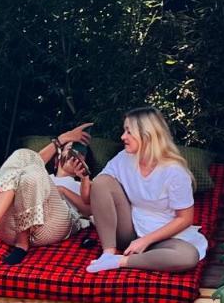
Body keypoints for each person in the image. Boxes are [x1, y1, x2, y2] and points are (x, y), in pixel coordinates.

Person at [0, 123, 94, 265]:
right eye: (70, 150)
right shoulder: (37, 175)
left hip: (52, 225)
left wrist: (71, 186)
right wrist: (62, 139)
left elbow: (90, 211)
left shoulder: (83, 184)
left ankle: (15, 240)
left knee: (35, 172)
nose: (75, 156)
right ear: (57, 159)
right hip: (11, 230)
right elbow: (31, 161)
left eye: (81, 154)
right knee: (22, 155)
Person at [85, 107, 207, 274]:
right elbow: (97, 191)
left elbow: (185, 219)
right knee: (101, 182)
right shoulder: (123, 158)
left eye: (128, 131)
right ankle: (108, 253)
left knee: (188, 256)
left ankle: (121, 261)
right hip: (129, 230)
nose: (123, 137)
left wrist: (145, 241)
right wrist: (82, 179)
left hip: (164, 237)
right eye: (124, 131)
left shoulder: (175, 172)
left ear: (147, 135)